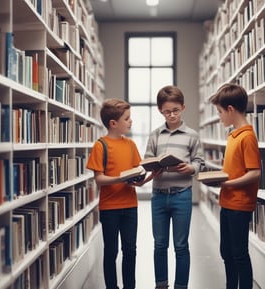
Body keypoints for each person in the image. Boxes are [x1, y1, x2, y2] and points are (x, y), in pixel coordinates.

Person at [86, 98, 152, 289]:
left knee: (130, 250)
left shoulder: (131, 145)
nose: (131, 121)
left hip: (130, 206)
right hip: (110, 208)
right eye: (127, 118)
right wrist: (119, 179)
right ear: (113, 123)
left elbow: (136, 180)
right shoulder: (100, 145)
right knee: (111, 251)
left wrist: (151, 175)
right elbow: (99, 179)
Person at [144, 85, 204, 289]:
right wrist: (154, 168)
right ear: (160, 110)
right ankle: (161, 284)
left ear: (183, 108)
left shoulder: (192, 135)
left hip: (182, 196)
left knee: (181, 245)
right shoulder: (155, 135)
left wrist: (190, 168)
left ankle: (181, 286)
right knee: (160, 245)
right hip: (158, 196)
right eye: (167, 111)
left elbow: (199, 162)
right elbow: (147, 161)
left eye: (175, 110)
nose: (171, 115)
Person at [209, 83, 261, 289]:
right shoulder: (232, 136)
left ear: (230, 109)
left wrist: (226, 182)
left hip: (239, 204)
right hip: (227, 202)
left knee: (239, 253)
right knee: (226, 252)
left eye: (220, 112)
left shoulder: (247, 137)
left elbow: (255, 172)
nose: (219, 116)